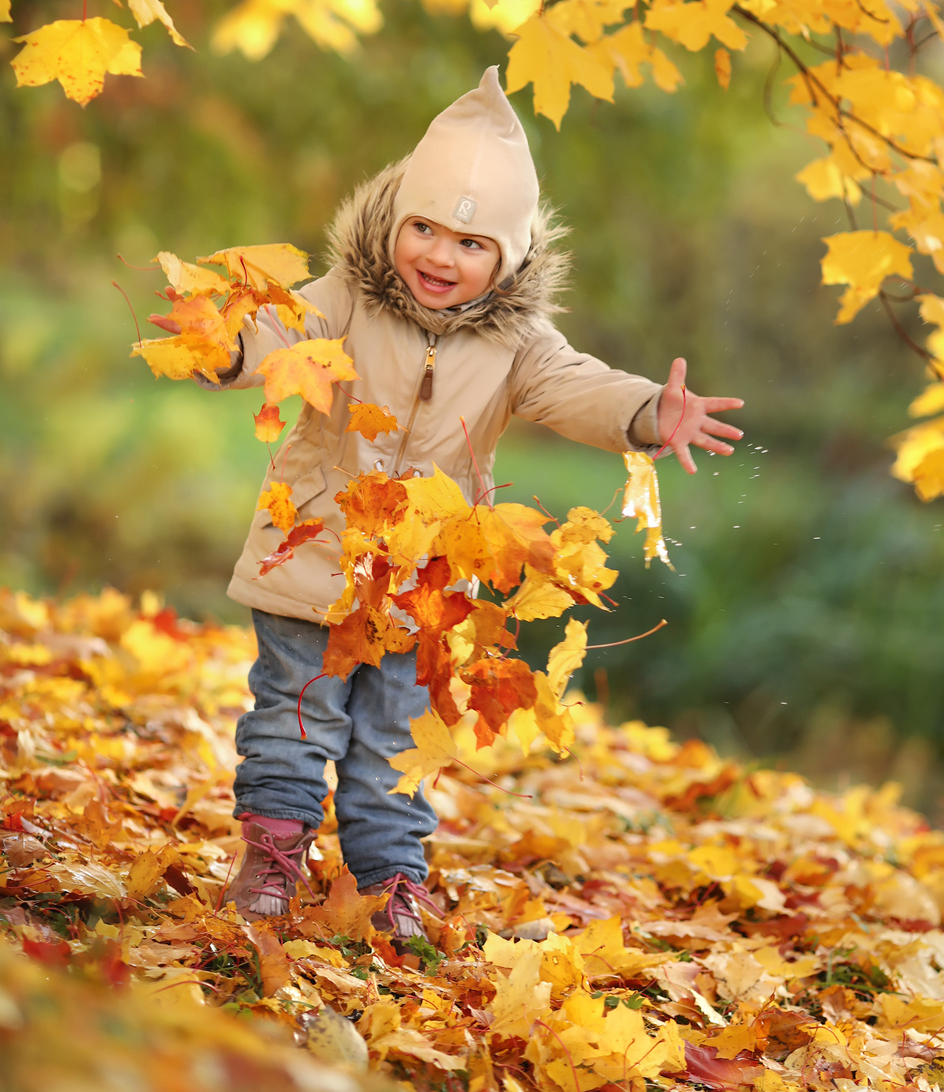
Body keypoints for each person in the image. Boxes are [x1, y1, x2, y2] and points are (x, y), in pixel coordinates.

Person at [204, 67, 744, 937]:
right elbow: (278, 333)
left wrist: (647, 410)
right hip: (312, 554)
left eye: (469, 243)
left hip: (428, 583)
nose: (438, 257)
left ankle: (387, 880)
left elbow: (579, 386)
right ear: (395, 224)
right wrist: (224, 344)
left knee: (394, 747)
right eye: (423, 229)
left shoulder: (519, 342)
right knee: (293, 717)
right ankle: (272, 853)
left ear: (508, 257)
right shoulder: (342, 301)